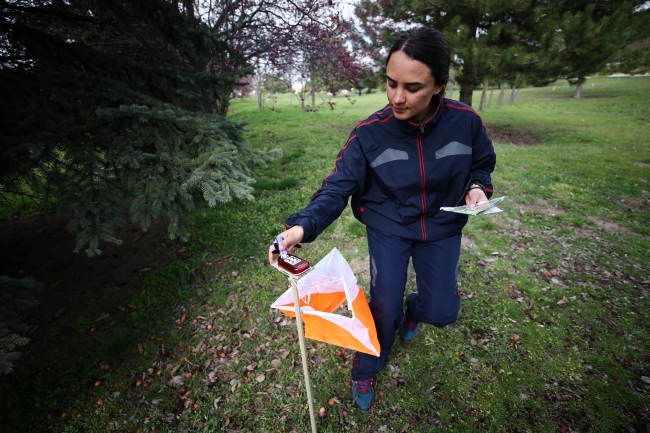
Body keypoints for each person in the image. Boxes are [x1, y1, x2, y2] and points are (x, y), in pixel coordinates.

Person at [268, 26, 496, 411]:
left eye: (412, 87)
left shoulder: (466, 122)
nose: (397, 97)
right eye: (391, 83)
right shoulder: (369, 134)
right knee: (382, 307)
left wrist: (477, 188)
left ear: (438, 86)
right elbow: (336, 188)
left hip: (441, 227)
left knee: (442, 311)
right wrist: (300, 227)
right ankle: (367, 364)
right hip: (389, 226)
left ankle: (415, 310)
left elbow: (482, 164)